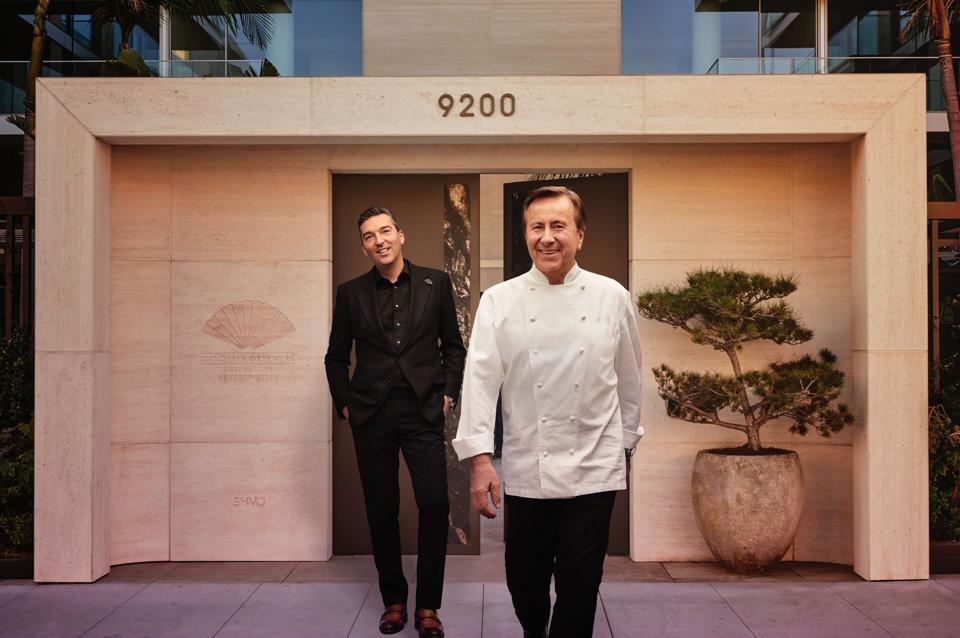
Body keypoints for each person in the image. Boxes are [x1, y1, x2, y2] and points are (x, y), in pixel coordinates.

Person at [452, 186, 644, 638]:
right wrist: (480, 460)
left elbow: (631, 379)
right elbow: (479, 381)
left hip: (595, 464)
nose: (547, 237)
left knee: (581, 582)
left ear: (580, 234)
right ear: (526, 236)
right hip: (528, 464)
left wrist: (626, 446)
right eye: (537, 227)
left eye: (559, 226)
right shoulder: (500, 300)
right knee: (524, 579)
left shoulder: (611, 296)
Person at [325, 206, 465, 638]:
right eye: (369, 235)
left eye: (385, 230)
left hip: (423, 410)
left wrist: (448, 393)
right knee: (381, 510)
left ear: (401, 235)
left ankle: (428, 606)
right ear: (363, 246)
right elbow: (335, 356)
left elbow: (455, 348)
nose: (379, 240)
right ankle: (394, 600)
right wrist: (345, 403)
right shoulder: (350, 293)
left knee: (435, 505)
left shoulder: (435, 283)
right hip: (371, 414)